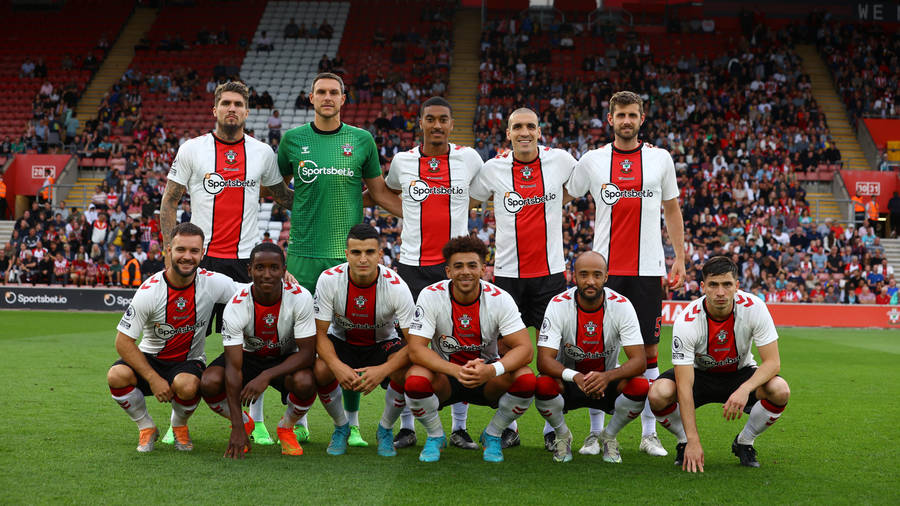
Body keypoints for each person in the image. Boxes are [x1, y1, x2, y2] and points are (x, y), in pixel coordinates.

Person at [160, 81, 295, 445]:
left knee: (257, 343)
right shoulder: (193, 149)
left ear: (247, 111)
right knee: (189, 344)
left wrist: (330, 195)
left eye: (238, 104)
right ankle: (178, 421)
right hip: (201, 264)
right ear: (214, 110)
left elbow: (284, 197)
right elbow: (169, 201)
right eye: (226, 103)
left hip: (245, 265)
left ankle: (259, 421)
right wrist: (168, 247)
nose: (232, 109)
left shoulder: (262, 152)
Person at [277, 72, 401, 447]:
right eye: (321, 93)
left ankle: (352, 424)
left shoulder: (361, 140)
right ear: (310, 98)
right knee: (296, 343)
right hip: (301, 257)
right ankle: (296, 417)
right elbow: (275, 184)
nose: (327, 97)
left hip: (347, 259)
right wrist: (299, 206)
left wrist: (419, 221)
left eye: (334, 92)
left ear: (343, 99)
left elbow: (378, 192)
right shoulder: (293, 140)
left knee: (348, 340)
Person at [567, 90, 686, 457]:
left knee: (649, 351)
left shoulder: (660, 158)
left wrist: (679, 258)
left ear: (642, 119)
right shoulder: (592, 160)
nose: (627, 121)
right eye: (621, 115)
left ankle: (649, 434)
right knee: (597, 351)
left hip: (648, 270)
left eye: (633, 115)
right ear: (611, 119)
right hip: (603, 273)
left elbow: (671, 208)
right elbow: (561, 193)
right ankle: (595, 433)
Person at [469, 107, 580, 449]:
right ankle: (510, 425)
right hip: (506, 276)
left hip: (549, 276)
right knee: (506, 352)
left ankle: (551, 429)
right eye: (517, 126)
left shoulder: (560, 160)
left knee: (553, 354)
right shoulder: (493, 168)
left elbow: (578, 187)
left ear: (540, 130)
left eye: (531, 125)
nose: (525, 132)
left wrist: (554, 205)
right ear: (508, 133)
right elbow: (470, 202)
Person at [384, 96, 483, 449]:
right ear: (421, 123)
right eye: (431, 119)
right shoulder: (403, 161)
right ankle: (408, 426)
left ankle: (459, 426)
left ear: (451, 124)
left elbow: (487, 191)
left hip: (455, 267)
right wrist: (408, 213)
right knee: (415, 344)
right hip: (412, 266)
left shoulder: (469, 158)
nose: (437, 125)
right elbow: (387, 191)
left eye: (443, 119)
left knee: (462, 342)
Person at [648, 256, 790, 471]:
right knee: (658, 394)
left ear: (737, 286)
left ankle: (745, 442)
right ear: (703, 287)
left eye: (727, 284)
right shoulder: (687, 321)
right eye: (713, 285)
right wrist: (693, 440)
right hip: (699, 375)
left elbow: (772, 363)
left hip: (740, 372)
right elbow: (685, 386)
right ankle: (683, 441)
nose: (720, 292)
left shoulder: (755, 307)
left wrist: (745, 389)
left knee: (780, 390)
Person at [105, 223, 237, 452]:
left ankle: (179, 426)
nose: (187, 256)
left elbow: (250, 291)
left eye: (194, 251)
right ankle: (146, 427)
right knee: (116, 375)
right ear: (168, 250)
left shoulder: (214, 283)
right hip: (151, 358)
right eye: (181, 250)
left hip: (189, 361)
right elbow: (123, 342)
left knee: (186, 385)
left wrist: (284, 278)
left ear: (202, 253)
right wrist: (153, 378)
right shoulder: (150, 291)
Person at [404, 236, 536, 463]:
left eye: (472, 265)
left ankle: (493, 434)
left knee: (526, 379)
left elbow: (525, 349)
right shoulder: (430, 295)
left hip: (486, 377)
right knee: (414, 380)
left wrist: (492, 370)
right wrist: (455, 371)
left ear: (484, 269)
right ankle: (435, 436)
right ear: (448, 271)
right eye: (458, 266)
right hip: (446, 375)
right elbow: (416, 350)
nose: (465, 272)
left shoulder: (500, 299)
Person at [200, 242, 317, 458]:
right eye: (260, 267)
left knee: (306, 382)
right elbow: (234, 368)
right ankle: (245, 424)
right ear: (249, 270)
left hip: (284, 358)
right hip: (248, 357)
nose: (267, 274)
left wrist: (266, 375)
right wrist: (236, 426)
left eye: (274, 268)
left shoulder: (301, 297)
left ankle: (286, 426)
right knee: (209, 381)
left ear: (284, 270)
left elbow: (307, 353)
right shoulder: (236, 304)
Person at [312, 224, 415, 457]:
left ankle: (386, 429)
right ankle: (341, 427)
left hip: (382, 344)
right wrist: (337, 366)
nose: (363, 259)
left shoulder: (397, 287)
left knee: (405, 371)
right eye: (356, 252)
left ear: (380, 254)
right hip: (342, 342)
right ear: (346, 254)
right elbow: (319, 334)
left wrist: (384, 370)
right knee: (320, 370)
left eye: (369, 252)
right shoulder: (329, 280)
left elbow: (416, 344)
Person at [535, 251, 649, 463]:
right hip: (570, 381)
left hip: (606, 382)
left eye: (597, 275)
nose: (590, 281)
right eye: (584, 274)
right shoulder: (558, 304)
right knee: (542, 385)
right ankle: (562, 435)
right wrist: (576, 376)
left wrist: (607, 377)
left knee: (640, 386)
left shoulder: (622, 305)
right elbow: (543, 361)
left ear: (606, 277)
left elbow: (639, 361)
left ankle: (609, 436)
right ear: (573, 276)